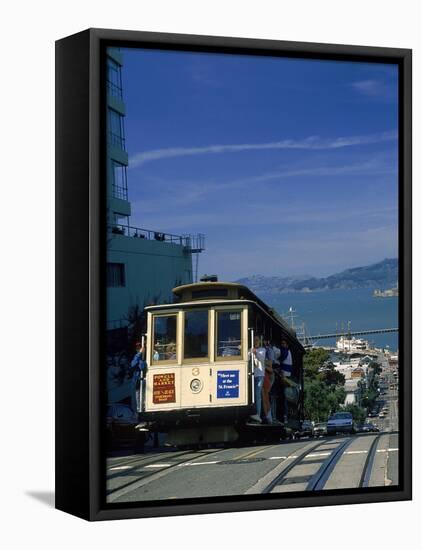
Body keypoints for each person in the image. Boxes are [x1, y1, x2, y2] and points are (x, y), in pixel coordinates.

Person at [250, 335, 266, 423]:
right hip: (251, 375)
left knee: (257, 395)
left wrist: (255, 352)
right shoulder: (251, 349)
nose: (255, 342)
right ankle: (253, 414)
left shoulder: (262, 350)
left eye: (257, 340)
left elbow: (261, 359)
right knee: (252, 396)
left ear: (259, 341)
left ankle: (258, 415)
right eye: (254, 340)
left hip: (259, 375)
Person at [130, 342, 146, 414]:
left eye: (139, 348)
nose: (138, 349)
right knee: (137, 396)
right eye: (137, 348)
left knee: (143, 395)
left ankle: (142, 409)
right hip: (137, 380)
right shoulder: (136, 357)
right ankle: (138, 411)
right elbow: (133, 364)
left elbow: (142, 367)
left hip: (143, 380)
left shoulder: (144, 358)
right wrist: (139, 354)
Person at [280, 339, 293, 423]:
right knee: (285, 397)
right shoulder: (289, 351)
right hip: (287, 376)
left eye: (283, 343)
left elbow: (280, 359)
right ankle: (286, 415)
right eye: (281, 343)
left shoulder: (285, 351)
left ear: (287, 345)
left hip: (285, 377)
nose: (282, 345)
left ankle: (285, 415)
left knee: (283, 397)